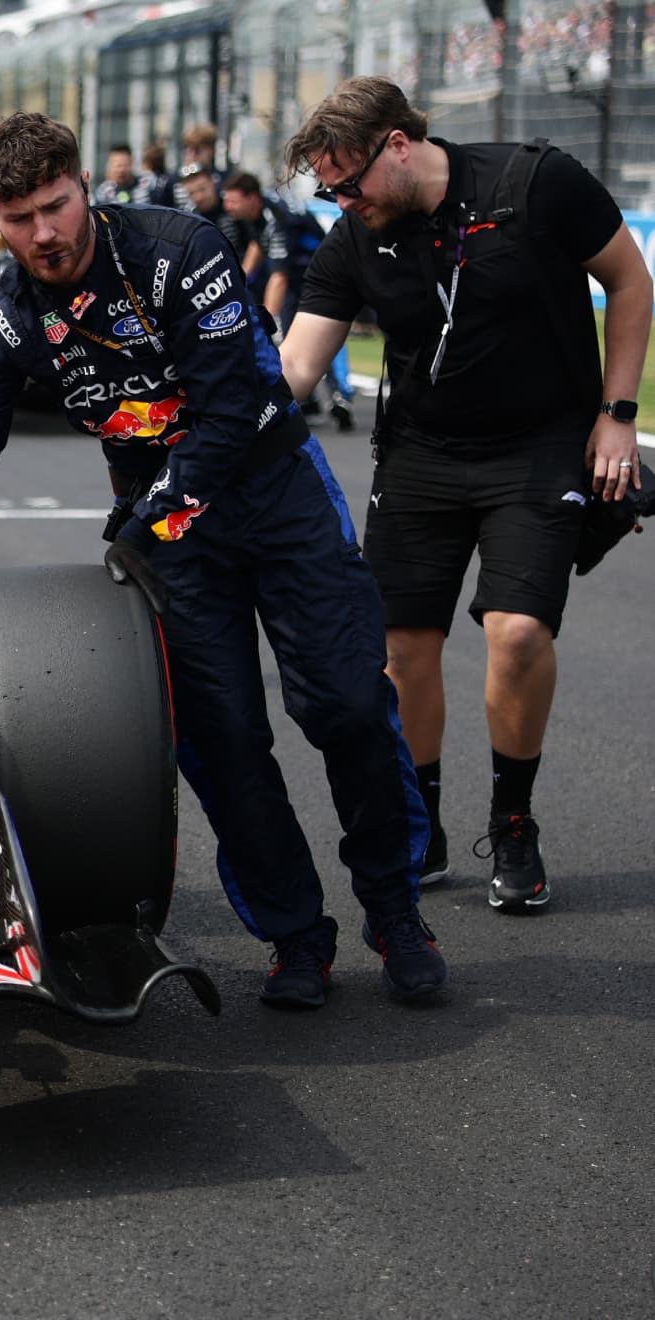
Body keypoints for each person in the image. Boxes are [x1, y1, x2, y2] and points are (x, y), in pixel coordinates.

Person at [0, 111, 447, 1006]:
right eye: (20, 217)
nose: (45, 233)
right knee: (220, 741)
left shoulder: (183, 249)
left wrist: (147, 525)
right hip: (168, 531)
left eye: (57, 207)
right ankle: (296, 934)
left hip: (272, 488)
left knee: (343, 702)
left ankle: (396, 906)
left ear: (84, 191)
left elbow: (230, 411)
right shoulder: (4, 317)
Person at [278, 76, 652, 913]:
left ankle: (513, 823)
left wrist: (618, 417)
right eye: (329, 188)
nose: (342, 200)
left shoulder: (534, 181)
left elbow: (630, 282)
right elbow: (296, 369)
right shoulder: (353, 237)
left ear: (399, 144)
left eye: (349, 180)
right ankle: (424, 825)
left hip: (541, 447)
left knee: (516, 634)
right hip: (420, 455)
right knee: (403, 648)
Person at [221, 170, 355, 432]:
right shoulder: (255, 215)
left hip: (324, 273)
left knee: (323, 333)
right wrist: (235, 286)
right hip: (297, 276)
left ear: (252, 198)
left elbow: (278, 278)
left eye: (233, 201)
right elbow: (257, 247)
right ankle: (310, 402)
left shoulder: (276, 220)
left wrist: (266, 322)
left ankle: (342, 396)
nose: (228, 207)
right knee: (292, 333)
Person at [178, 162, 243, 255]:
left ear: (212, 182)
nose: (199, 197)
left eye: (202, 189)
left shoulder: (233, 207)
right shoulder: (192, 222)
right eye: (192, 193)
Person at [170, 122, 223, 210]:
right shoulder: (174, 179)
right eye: (187, 149)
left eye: (196, 150)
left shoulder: (221, 178)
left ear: (211, 150)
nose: (190, 155)